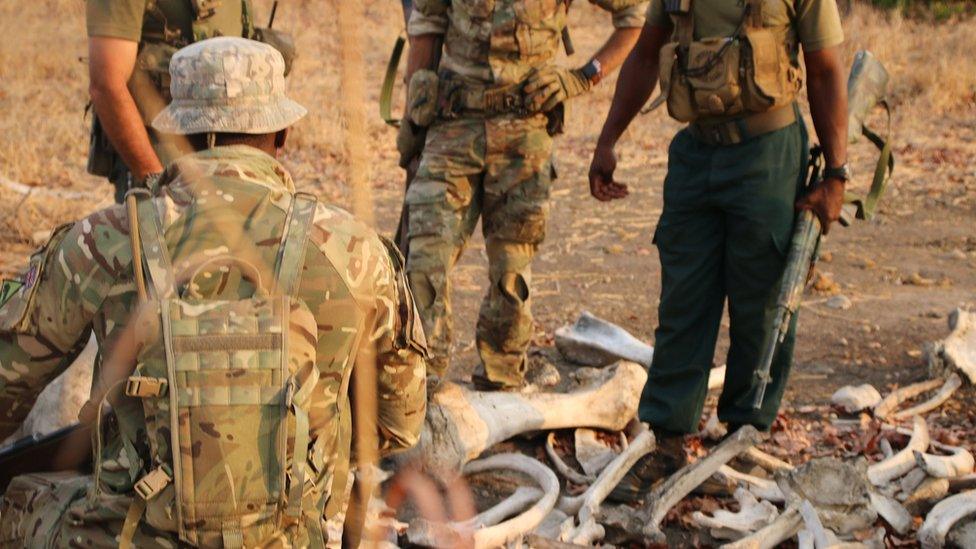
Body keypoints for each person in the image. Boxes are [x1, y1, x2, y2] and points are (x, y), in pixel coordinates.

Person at [0, 37, 427, 546]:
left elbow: (7, 380)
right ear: (283, 132)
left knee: (22, 497)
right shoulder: (354, 252)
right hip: (293, 537)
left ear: (174, 133)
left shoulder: (104, 241)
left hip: (128, 534)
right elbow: (397, 425)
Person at [587, 0, 849, 500]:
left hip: (768, 153)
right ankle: (666, 441)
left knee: (763, 298)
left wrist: (836, 173)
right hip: (696, 154)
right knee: (684, 298)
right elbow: (645, 55)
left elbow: (827, 67)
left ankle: (745, 434)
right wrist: (608, 140)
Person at [399, 0, 649, 391]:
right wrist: (413, 124)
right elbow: (427, 26)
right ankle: (420, 385)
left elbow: (634, 18)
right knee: (425, 259)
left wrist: (583, 77)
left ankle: (502, 380)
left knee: (511, 272)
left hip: (525, 133)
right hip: (453, 126)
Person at [86, 0, 292, 203]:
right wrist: (157, 183)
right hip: (163, 150)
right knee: (165, 235)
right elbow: (107, 84)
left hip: (234, 150)